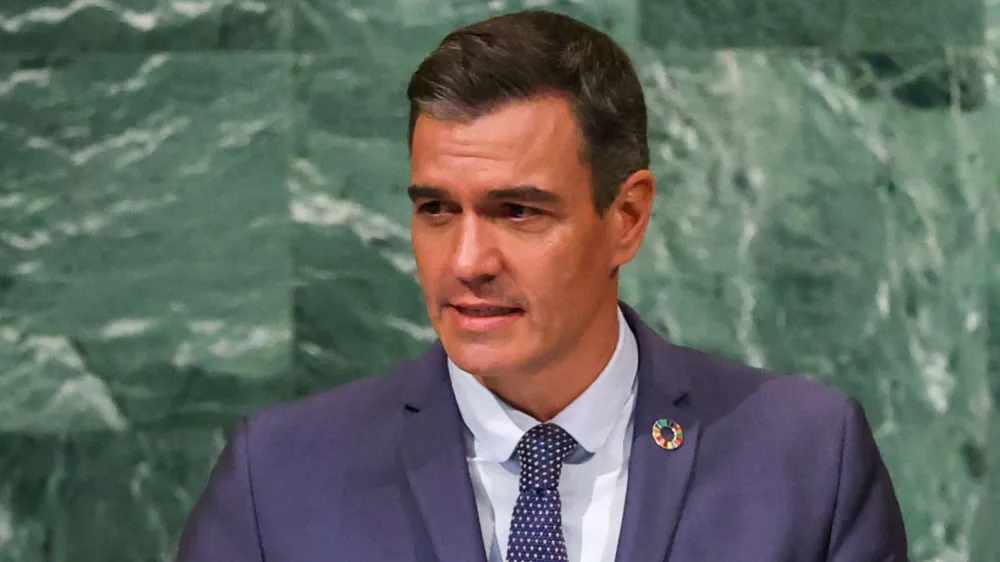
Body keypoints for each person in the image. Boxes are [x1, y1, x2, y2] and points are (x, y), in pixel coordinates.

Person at [174, 9, 909, 562]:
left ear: (626, 217)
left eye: (517, 211)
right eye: (436, 209)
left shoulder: (808, 460)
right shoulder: (279, 477)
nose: (466, 261)